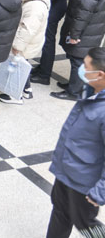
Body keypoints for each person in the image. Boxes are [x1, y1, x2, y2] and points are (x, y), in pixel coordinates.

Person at [45, 47, 105, 238]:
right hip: (66, 169)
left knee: (86, 224)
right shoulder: (91, 91)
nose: (81, 70)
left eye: (86, 67)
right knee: (60, 212)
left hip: (83, 181)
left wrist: (100, 191)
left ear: (100, 74)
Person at [52, 0, 105, 101]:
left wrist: (74, 34)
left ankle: (74, 92)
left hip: (85, 31)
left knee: (77, 59)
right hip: (92, 29)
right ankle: (74, 85)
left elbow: (83, 13)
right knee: (78, 58)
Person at [0, 0, 51, 105]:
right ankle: (27, 90)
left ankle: (15, 96)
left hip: (25, 43)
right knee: (21, 65)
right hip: (30, 42)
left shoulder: (35, 7)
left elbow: (27, 29)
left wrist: (17, 46)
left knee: (17, 67)